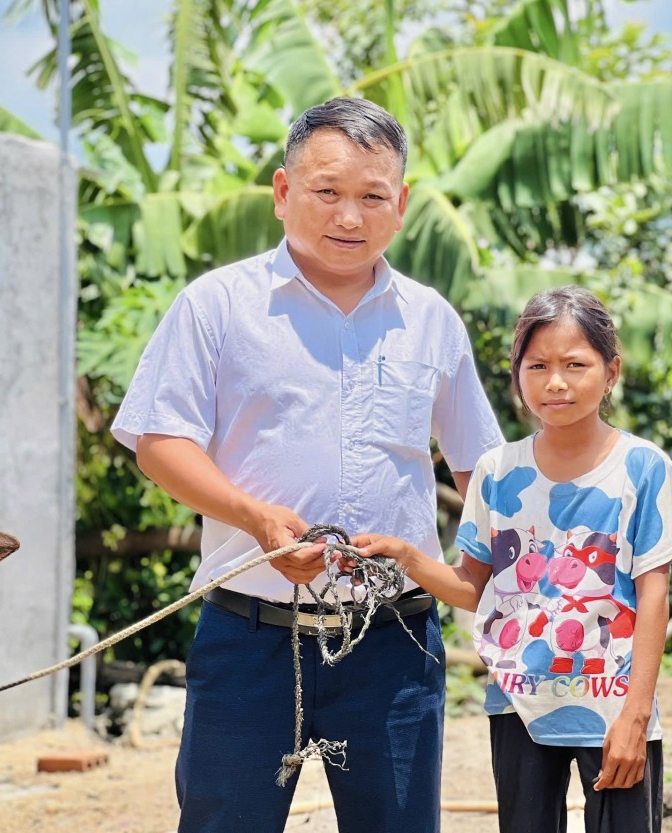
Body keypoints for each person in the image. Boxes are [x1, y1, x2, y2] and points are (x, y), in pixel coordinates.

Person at [110, 97, 503, 833]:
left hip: (396, 640)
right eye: (327, 192)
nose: (349, 216)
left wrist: (492, 586)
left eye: (371, 196)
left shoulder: (432, 320)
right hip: (249, 638)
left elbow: (481, 472)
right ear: (283, 193)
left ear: (402, 205)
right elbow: (161, 443)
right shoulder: (217, 306)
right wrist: (254, 518)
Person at [356, 286, 672, 833]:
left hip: (614, 707)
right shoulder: (497, 471)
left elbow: (654, 594)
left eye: (575, 364)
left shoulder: (643, 467)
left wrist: (637, 714)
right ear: (517, 375)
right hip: (520, 705)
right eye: (537, 365)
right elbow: (473, 586)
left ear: (610, 371)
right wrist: (403, 556)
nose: (556, 382)